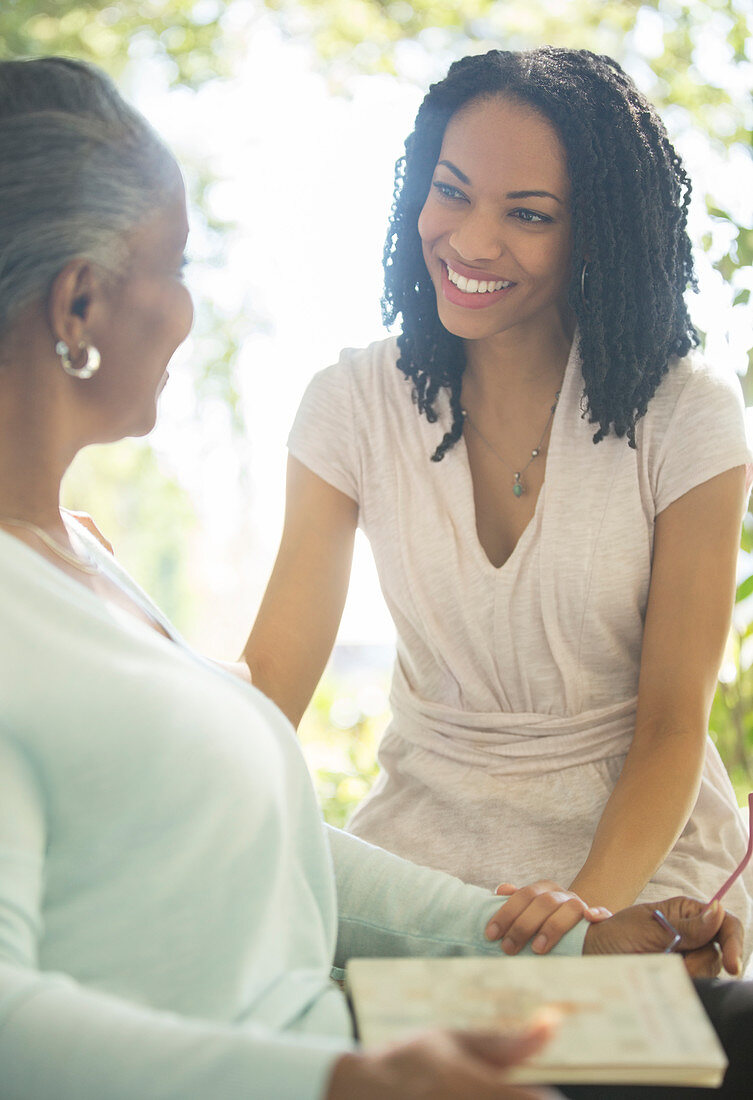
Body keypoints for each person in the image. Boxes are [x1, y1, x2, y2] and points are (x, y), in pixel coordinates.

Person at [0, 53, 751, 1100]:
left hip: (413, 974)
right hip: (317, 1027)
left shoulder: (84, 569)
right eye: (177, 267)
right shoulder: (40, 611)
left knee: (728, 1034)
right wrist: (342, 1075)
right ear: (78, 301)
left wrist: (572, 946)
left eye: (528, 212)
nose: (475, 238)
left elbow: (265, 811)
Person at [243, 46, 753, 957]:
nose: (472, 242)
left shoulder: (687, 416)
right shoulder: (351, 403)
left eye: (527, 214)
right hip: (419, 855)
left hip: (636, 867)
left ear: (594, 231)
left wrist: (576, 923)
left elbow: (672, 727)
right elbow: (269, 686)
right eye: (451, 192)